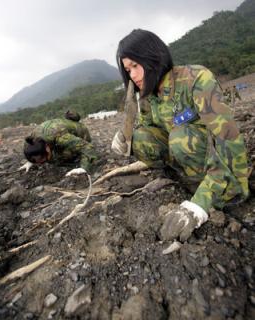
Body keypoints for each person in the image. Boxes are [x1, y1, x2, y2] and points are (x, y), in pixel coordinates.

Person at [112, 29, 250, 242]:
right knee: (141, 137)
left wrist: (200, 206)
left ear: (153, 58)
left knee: (181, 136)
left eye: (135, 66)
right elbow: (148, 130)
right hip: (184, 162)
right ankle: (181, 179)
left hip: (219, 166)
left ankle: (216, 189)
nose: (133, 76)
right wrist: (126, 141)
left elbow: (227, 139)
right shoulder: (147, 97)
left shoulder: (195, 79)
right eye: (127, 70)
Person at [19, 112, 98, 176]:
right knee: (52, 158)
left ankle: (75, 161)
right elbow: (32, 151)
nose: (41, 163)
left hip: (81, 132)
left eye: (43, 159)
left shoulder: (60, 137)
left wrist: (84, 168)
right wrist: (31, 161)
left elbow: (87, 147)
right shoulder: (30, 142)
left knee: (62, 157)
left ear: (47, 147)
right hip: (56, 131)